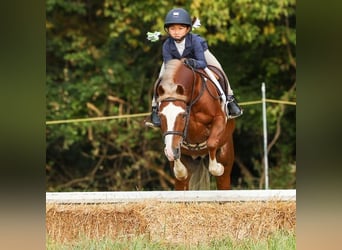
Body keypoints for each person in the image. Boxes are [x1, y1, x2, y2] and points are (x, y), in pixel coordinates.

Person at [146, 8, 242, 127]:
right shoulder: (167, 45)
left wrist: (194, 63)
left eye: (180, 28)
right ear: (168, 30)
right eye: (172, 29)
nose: (176, 32)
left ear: (187, 29)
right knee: (160, 78)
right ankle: (155, 108)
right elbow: (168, 65)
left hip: (198, 57)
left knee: (218, 69)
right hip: (175, 62)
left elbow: (203, 63)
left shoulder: (195, 41)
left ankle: (229, 99)